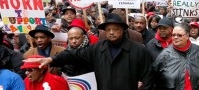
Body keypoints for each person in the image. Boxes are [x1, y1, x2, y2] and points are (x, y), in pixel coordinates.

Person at [25, 13, 153, 90]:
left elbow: (148, 79)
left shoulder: (139, 50)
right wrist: (51, 59)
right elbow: (73, 55)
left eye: (115, 29)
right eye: (108, 29)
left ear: (123, 30)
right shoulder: (98, 48)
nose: (111, 32)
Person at [152, 24, 199, 89]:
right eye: (173, 35)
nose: (175, 37)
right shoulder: (164, 55)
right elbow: (154, 78)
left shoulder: (198, 51)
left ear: (187, 36)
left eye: (179, 35)